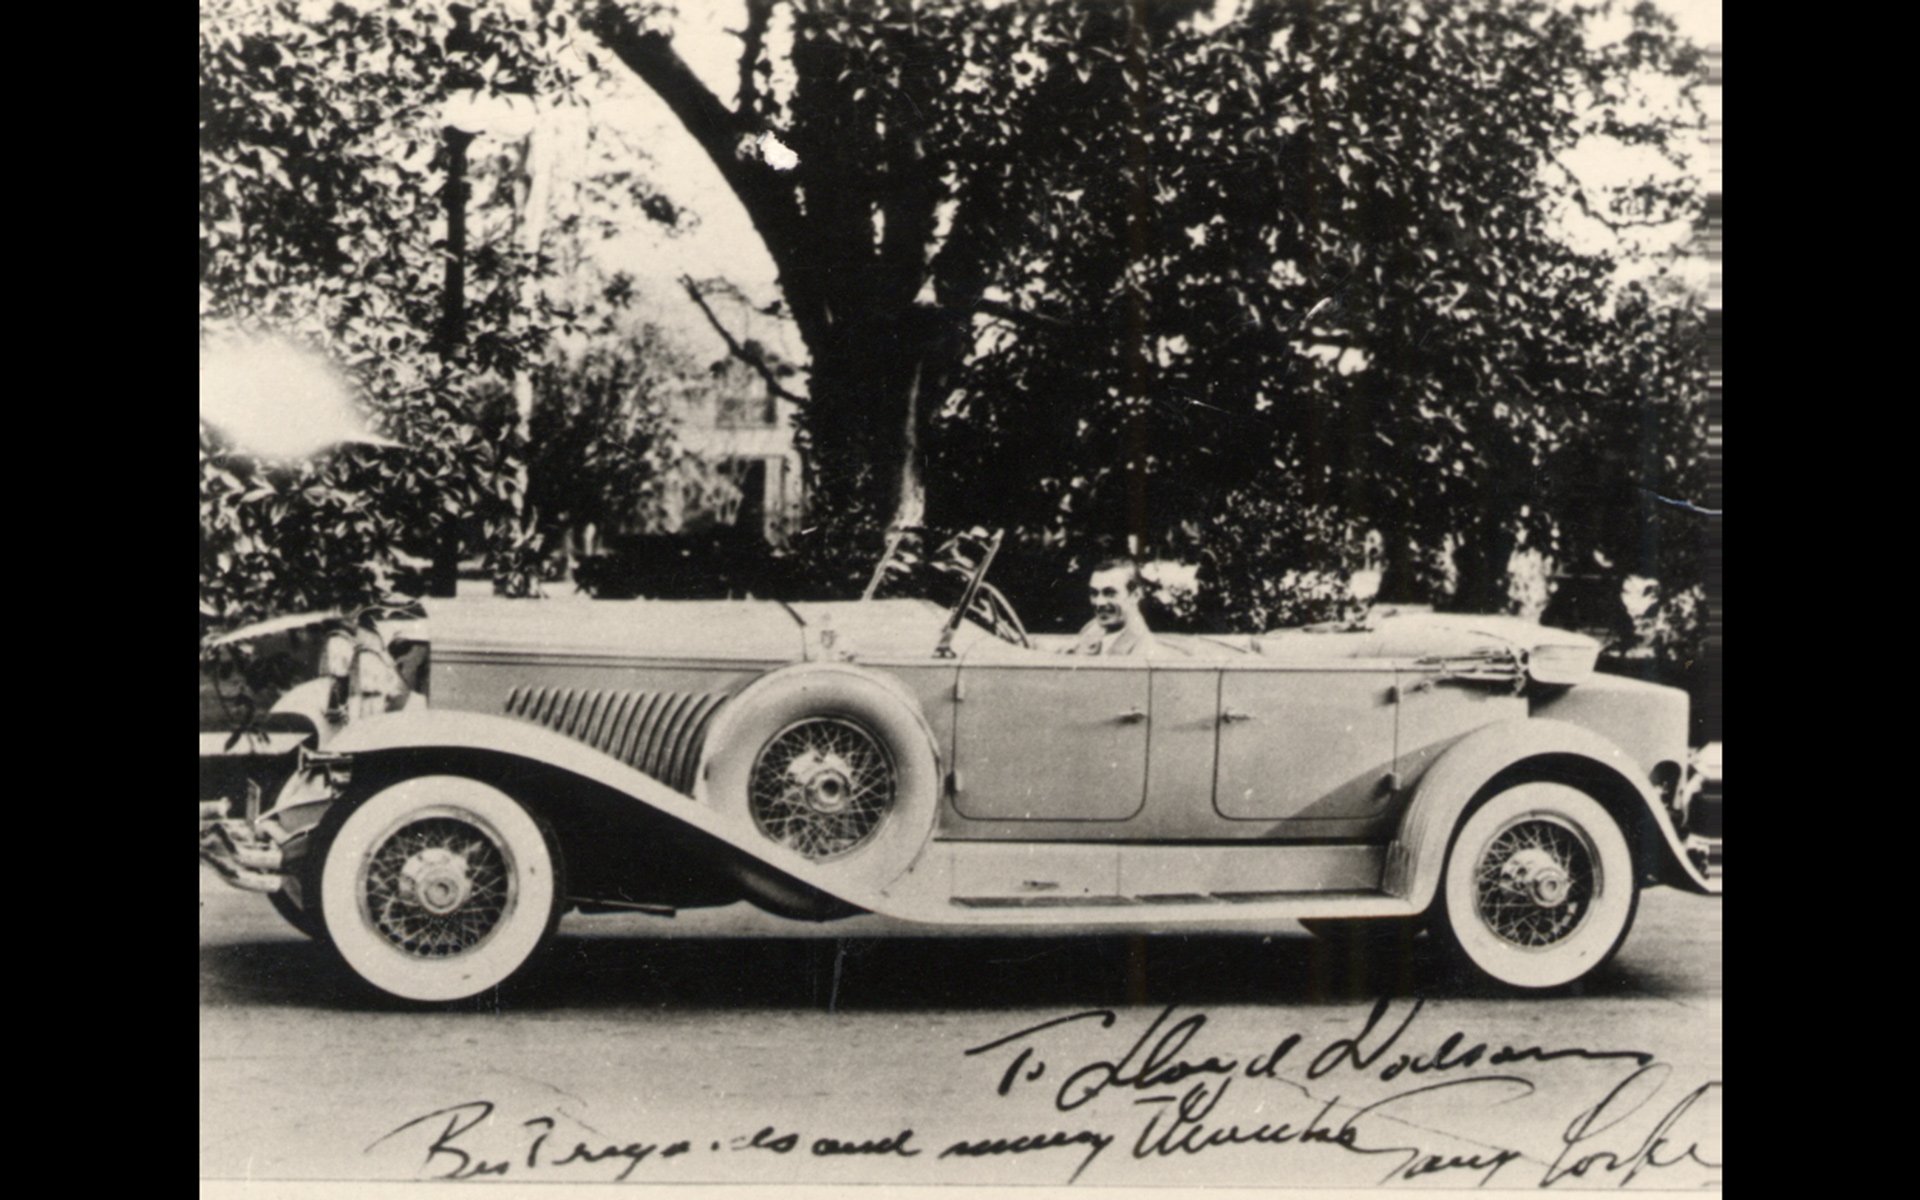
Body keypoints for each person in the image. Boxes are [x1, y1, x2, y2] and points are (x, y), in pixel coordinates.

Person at [1065, 557, 1159, 657]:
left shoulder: (1144, 651)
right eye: (1094, 593)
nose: (1099, 602)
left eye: (1110, 593)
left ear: (1135, 595)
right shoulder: (1092, 628)